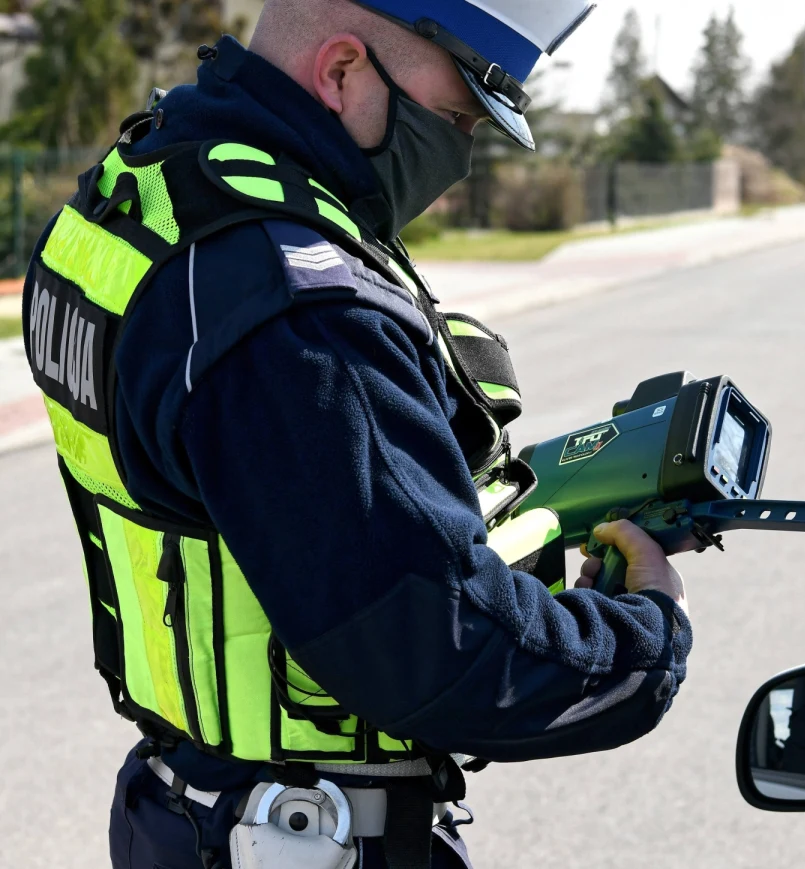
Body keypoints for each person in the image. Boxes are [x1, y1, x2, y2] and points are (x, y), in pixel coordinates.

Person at [20, 1, 692, 867]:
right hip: (301, 835)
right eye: (454, 118)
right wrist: (645, 635)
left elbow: (256, 509)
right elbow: (441, 647)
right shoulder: (292, 301)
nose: (460, 152)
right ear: (342, 72)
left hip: (175, 802)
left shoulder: (139, 189)